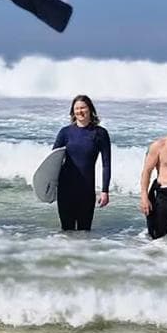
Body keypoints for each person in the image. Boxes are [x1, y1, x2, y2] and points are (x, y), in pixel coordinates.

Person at [52, 95, 111, 231]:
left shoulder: (100, 133)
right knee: (67, 231)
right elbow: (53, 160)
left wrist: (105, 191)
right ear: (73, 112)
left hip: (86, 190)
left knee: (84, 231)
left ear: (90, 109)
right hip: (65, 189)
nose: (80, 111)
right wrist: (48, 187)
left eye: (83, 107)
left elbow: (106, 164)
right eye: (76, 109)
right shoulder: (65, 133)